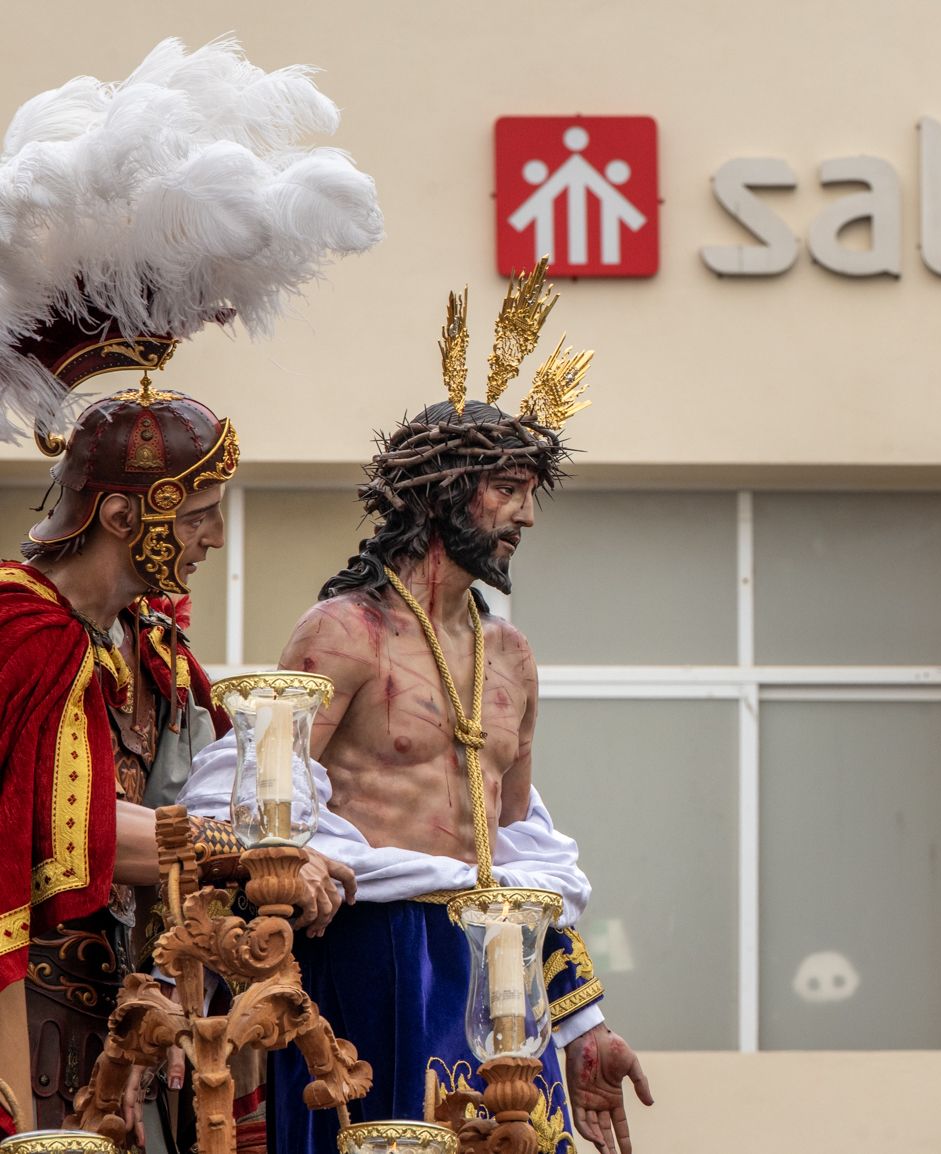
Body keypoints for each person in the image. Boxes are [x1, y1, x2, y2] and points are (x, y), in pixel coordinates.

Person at [0, 37, 383, 1139]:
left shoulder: (154, 647)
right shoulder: (20, 628)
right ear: (125, 513)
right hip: (28, 1009)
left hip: (145, 1012)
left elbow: (214, 795)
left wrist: (284, 850)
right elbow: (61, 831)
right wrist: (246, 853)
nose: (215, 536)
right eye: (200, 510)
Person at [182, 261, 651, 1154]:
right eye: (505, 490)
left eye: (529, 493)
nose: (525, 517)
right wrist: (296, 872)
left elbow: (522, 856)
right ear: (441, 494)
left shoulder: (511, 657)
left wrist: (583, 1022)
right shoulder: (343, 632)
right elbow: (252, 801)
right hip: (373, 950)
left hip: (495, 976)